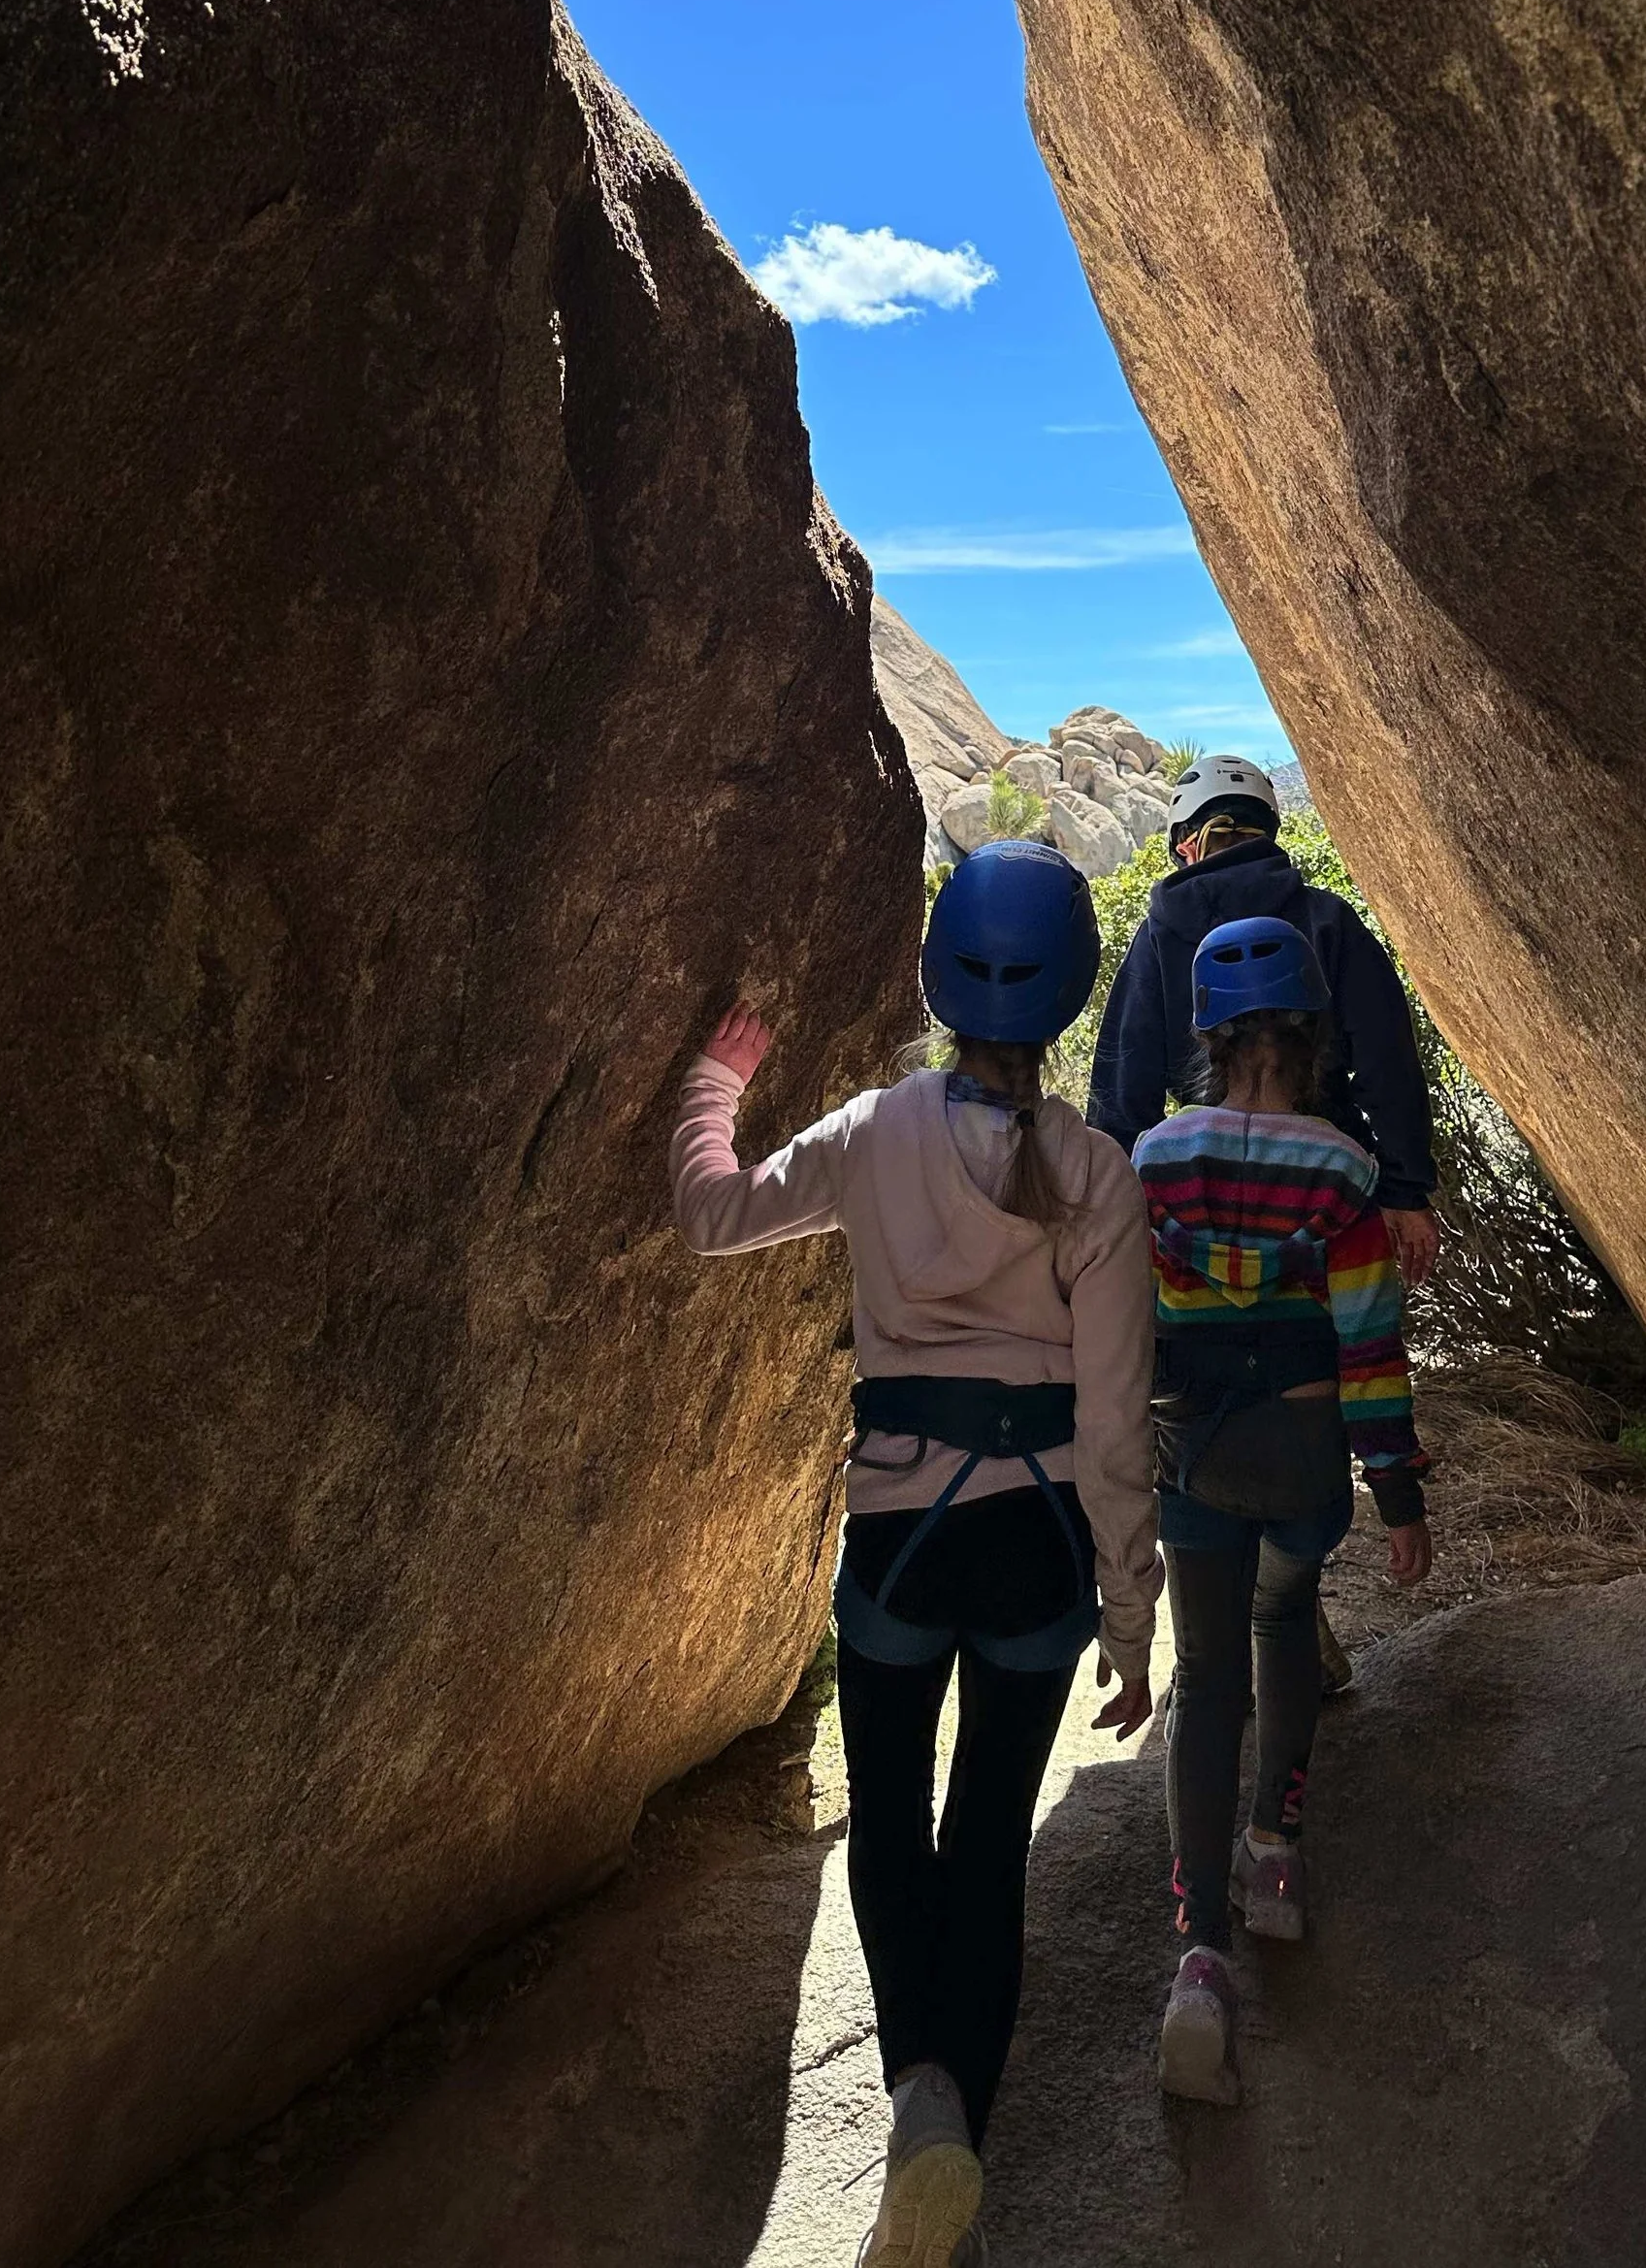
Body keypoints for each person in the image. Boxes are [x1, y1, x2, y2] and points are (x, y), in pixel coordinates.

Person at [671, 842, 1160, 2268]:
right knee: (989, 1839)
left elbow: (713, 1216)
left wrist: (716, 1086)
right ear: (1067, 998)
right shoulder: (1099, 1174)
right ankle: (952, 2147)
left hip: (899, 1537)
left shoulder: (876, 1131)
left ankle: (921, 2104)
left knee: (889, 1824)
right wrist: (1129, 1616)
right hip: (1044, 1547)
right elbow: (1119, 1420)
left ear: (942, 980)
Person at [1133, 914, 1431, 2105]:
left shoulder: (1151, 1161)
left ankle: (1198, 1957)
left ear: (1206, 1035)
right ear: (1312, 1036)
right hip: (1304, 1456)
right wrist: (1397, 1490)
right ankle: (1276, 1859)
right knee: (1282, 1627)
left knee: (1203, 1678)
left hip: (1190, 1457)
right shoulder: (1345, 1176)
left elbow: (1128, 1325)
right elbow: (1370, 1344)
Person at [1086, 752, 1442, 1291]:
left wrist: (1114, 1200)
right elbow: (1386, 1062)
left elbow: (1125, 1079)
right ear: (1268, 831)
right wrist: (1403, 1191)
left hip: (1195, 1186)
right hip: (1327, 1182)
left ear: (1185, 845)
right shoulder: (1329, 920)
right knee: (1331, 1346)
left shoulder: (1159, 934)